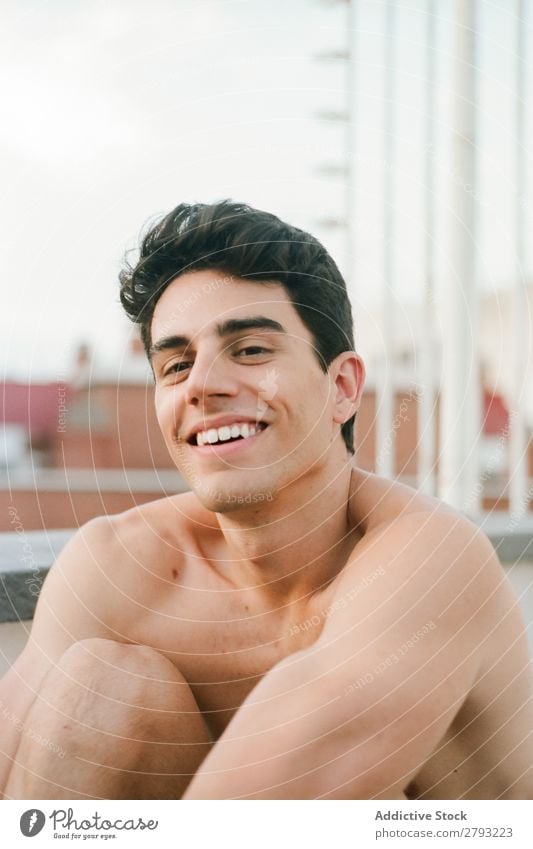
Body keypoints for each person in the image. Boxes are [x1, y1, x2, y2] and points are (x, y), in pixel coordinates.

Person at [1, 201, 531, 800]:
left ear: (342, 388)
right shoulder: (116, 565)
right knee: (103, 689)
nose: (202, 384)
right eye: (176, 364)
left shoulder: (431, 558)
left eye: (250, 349)